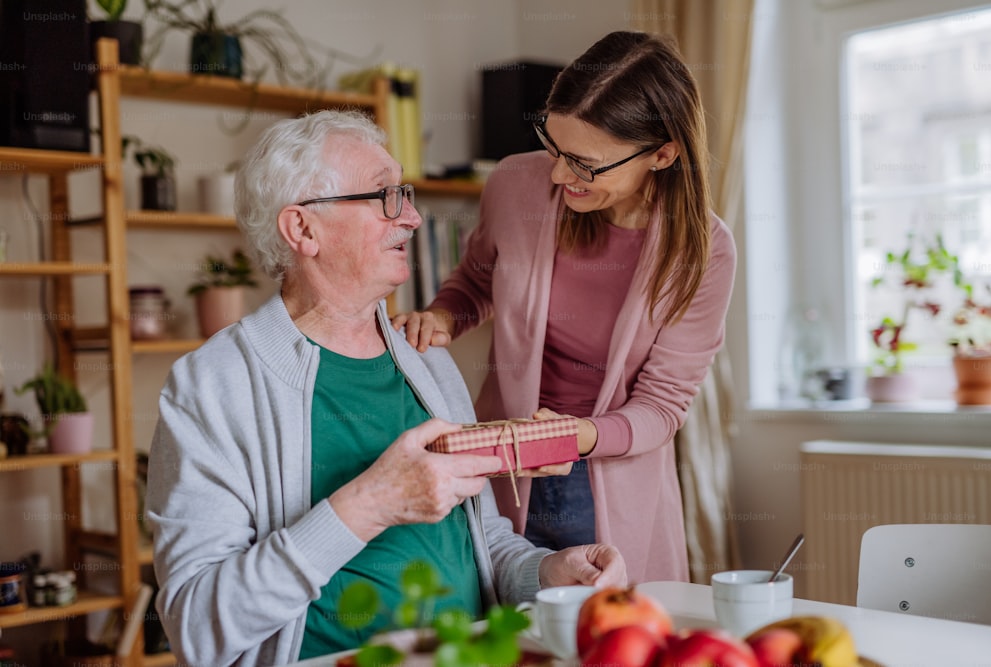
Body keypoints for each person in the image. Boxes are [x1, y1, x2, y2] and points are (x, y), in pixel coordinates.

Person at [144, 109, 627, 667]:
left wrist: (548, 573)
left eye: (406, 193)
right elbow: (198, 627)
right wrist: (369, 505)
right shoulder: (213, 384)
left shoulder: (428, 362)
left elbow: (482, 545)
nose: (414, 218)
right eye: (384, 197)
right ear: (303, 229)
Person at [392, 30, 737, 583]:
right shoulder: (514, 183)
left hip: (607, 476)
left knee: (604, 636)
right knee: (506, 627)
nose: (557, 175)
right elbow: (477, 280)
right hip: (500, 457)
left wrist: (574, 437)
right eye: (552, 146)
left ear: (664, 154)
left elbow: (663, 405)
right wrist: (441, 317)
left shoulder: (704, 252)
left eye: (584, 164)